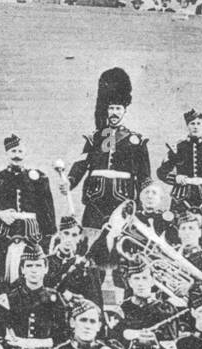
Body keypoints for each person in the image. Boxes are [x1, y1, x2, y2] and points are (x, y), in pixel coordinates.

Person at [65, 69, 152, 233]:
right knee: (90, 238)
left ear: (125, 110)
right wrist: (70, 181)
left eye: (118, 108)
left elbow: (144, 175)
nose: (114, 112)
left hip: (123, 199)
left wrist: (143, 203)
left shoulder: (136, 141)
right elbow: (81, 164)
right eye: (111, 108)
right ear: (106, 110)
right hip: (95, 199)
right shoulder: (95, 138)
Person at [0, 134, 57, 283]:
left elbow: (47, 207)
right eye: (13, 151)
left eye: (20, 152)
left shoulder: (38, 178)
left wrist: (49, 232)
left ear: (25, 154)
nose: (17, 155)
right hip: (4, 231)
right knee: (0, 268)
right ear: (7, 154)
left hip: (31, 232)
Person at [157, 109, 202, 245]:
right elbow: (161, 173)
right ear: (187, 126)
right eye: (192, 123)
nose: (196, 126)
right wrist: (176, 178)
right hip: (181, 199)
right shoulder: (178, 148)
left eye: (199, 123)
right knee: (176, 237)